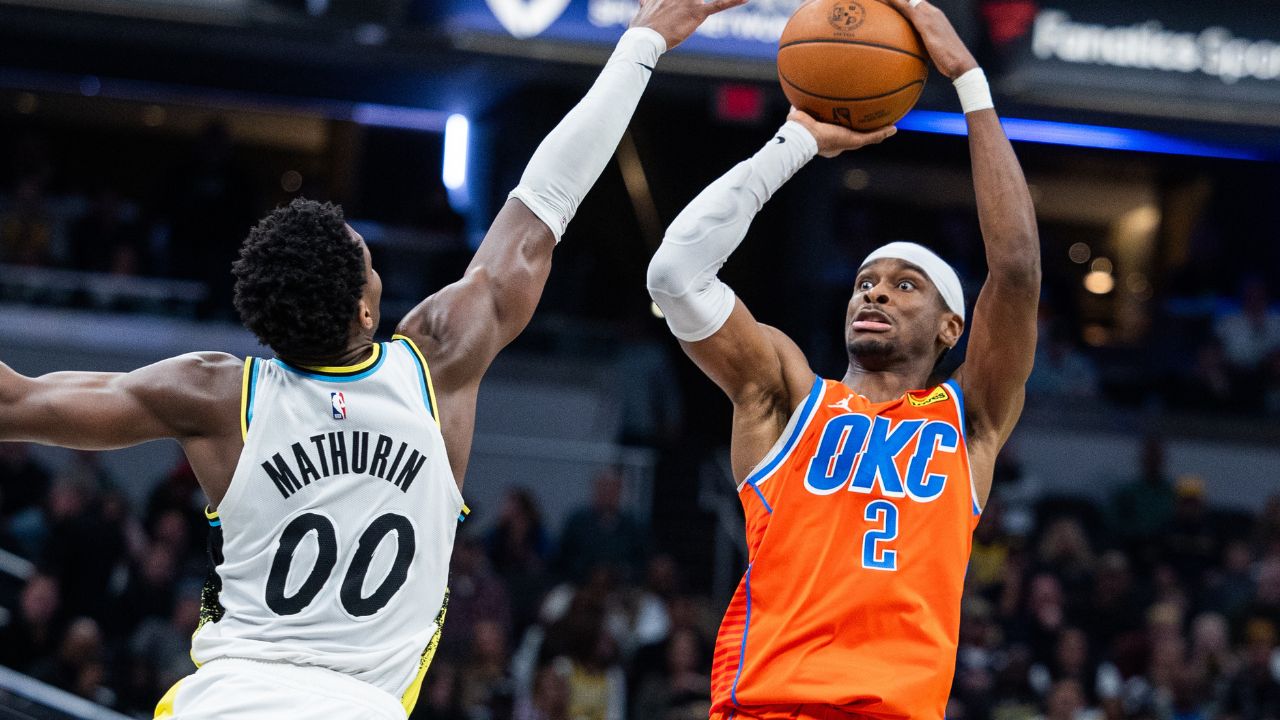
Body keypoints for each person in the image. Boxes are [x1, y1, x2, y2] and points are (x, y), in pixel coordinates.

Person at [0, 0, 742, 717]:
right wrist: (643, 39)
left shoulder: (216, 394)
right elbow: (543, 207)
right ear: (364, 308)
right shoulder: (435, 363)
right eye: (369, 261)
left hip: (226, 701)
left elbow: (18, 404)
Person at [644, 1, 1040, 717]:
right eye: (865, 282)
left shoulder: (968, 420)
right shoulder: (791, 397)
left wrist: (970, 83)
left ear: (953, 327)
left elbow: (1015, 271)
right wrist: (793, 143)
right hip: (767, 706)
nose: (876, 293)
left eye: (903, 285)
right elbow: (675, 276)